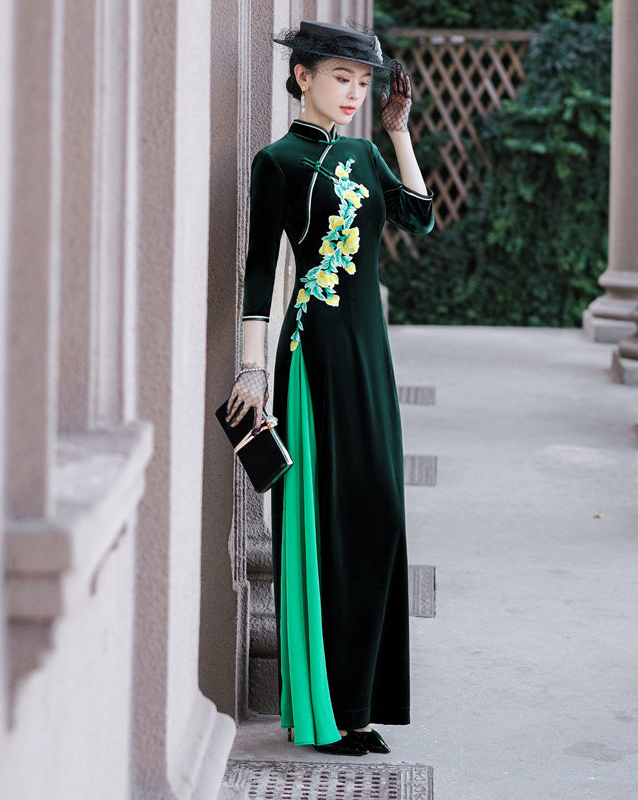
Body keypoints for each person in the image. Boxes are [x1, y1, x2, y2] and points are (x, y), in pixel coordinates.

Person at [226, 20, 434, 757]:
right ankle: (329, 712)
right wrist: (252, 368)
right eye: (340, 77)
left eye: (362, 81)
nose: (353, 93)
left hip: (369, 357)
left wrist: (399, 132)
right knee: (325, 524)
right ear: (303, 76)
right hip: (311, 354)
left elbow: (419, 213)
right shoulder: (276, 161)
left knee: (378, 509)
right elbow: (258, 271)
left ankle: (365, 701)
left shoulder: (367, 151)